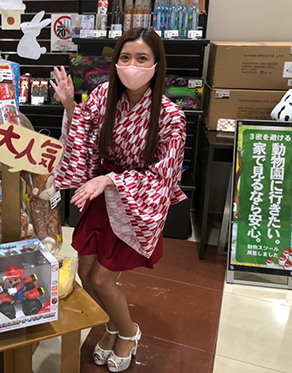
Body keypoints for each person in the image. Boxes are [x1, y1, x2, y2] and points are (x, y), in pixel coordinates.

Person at [51, 27, 186, 372]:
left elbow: (163, 176)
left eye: (142, 58)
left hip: (133, 201)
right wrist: (69, 104)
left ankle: (128, 331)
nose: (132, 66)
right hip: (101, 195)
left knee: (101, 278)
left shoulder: (171, 116)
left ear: (156, 65)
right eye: (125, 57)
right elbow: (84, 132)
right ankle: (112, 325)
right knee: (84, 271)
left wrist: (110, 180)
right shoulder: (103, 96)